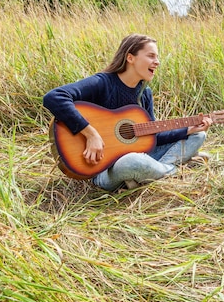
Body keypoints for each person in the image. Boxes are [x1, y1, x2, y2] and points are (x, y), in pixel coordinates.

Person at [43, 33, 213, 191]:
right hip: (104, 169)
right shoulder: (103, 83)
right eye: (151, 56)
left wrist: (188, 129)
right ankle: (176, 169)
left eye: (157, 57)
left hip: (142, 154)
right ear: (130, 57)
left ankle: (152, 174)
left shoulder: (144, 94)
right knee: (133, 162)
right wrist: (91, 134)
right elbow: (54, 97)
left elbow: (151, 137)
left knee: (199, 136)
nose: (157, 62)